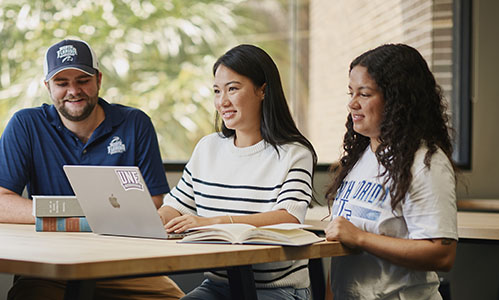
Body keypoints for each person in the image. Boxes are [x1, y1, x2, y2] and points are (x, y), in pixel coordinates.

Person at [0, 39, 184, 300]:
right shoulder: (26, 124)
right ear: (48, 87)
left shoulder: (135, 123)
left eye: (82, 80)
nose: (73, 91)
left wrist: (66, 217)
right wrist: (82, 220)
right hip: (49, 266)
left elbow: (154, 200)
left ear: (99, 80)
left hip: (125, 264)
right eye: (62, 83)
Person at [158, 44, 318, 300]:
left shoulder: (294, 152)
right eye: (217, 91)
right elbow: (177, 205)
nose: (222, 101)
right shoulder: (207, 148)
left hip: (278, 289)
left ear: (262, 90)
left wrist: (217, 222)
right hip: (218, 286)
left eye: (233, 89)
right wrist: (159, 219)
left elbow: (289, 217)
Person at [324, 43, 458, 300]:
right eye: (350, 93)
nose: (352, 104)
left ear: (397, 99)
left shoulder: (425, 161)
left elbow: (442, 254)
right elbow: (342, 252)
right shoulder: (359, 159)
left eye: (364, 94)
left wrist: (361, 238)